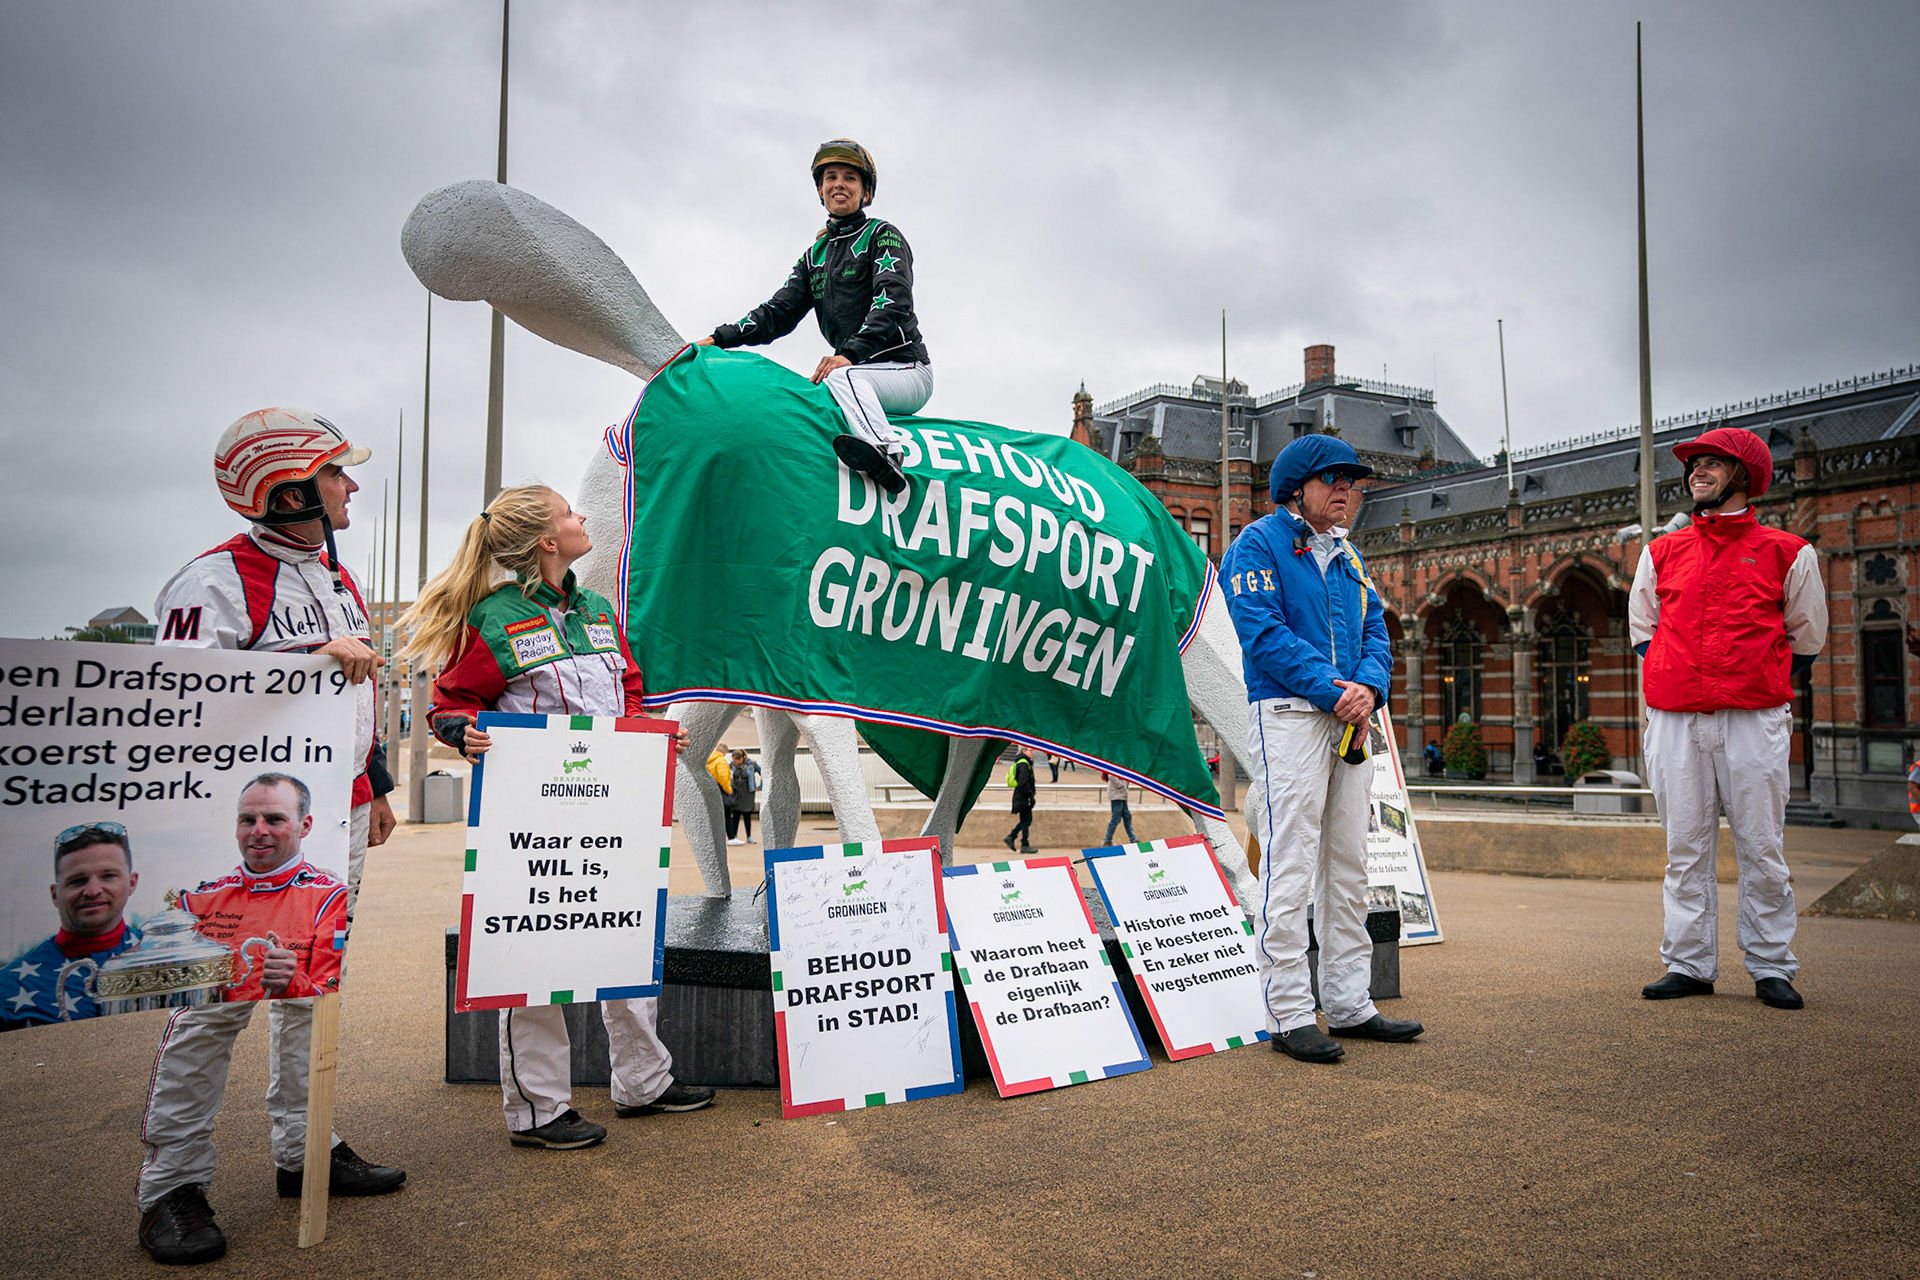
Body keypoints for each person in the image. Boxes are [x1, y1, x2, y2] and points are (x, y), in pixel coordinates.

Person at [138, 408, 402, 1267]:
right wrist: (308, 661)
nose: (351, 485)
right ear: (287, 487)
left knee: (311, 986)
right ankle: (171, 1187)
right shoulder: (211, 581)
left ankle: (305, 1151)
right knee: (217, 998)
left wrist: (381, 788)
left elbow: (356, 699)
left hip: (339, 816)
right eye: (337, 472)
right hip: (236, 835)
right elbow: (178, 704)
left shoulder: (338, 574)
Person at [404, 484, 714, 1152]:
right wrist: (463, 732)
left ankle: (643, 1082)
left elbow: (627, 689)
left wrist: (650, 731)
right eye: (571, 514)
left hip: (616, 811)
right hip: (532, 820)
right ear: (548, 541)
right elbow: (449, 704)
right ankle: (539, 1110)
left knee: (626, 936)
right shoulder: (493, 617)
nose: (582, 518)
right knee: (534, 953)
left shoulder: (599, 608)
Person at [1222, 435, 1424, 1065]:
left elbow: (1374, 632)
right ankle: (1287, 1010)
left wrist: (1371, 688)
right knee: (1291, 860)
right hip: (1289, 715)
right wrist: (1337, 692)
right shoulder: (1257, 544)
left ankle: (1348, 1001)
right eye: (1332, 479)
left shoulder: (1349, 554)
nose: (1346, 490)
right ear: (1297, 489)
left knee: (1348, 862)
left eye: (1351, 481)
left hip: (1347, 717)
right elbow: (1262, 634)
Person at [1629, 425, 1827, 1010]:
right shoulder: (1660, 551)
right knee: (1684, 847)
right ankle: (1688, 963)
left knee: (1762, 846)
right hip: (1675, 716)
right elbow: (1644, 630)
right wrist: (1678, 672)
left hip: (1752, 716)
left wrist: (1752, 678)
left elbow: (1807, 635)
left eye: (1711, 464)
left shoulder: (1790, 552)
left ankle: (1771, 966)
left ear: (1742, 477)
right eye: (1694, 465)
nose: (1697, 472)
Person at [696, 139, 929, 495]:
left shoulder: (882, 235)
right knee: (813, 393)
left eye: (850, 178)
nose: (839, 184)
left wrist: (848, 355)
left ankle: (887, 453)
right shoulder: (813, 256)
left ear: (865, 192)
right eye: (831, 177)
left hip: (905, 370)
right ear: (820, 191)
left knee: (839, 380)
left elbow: (893, 302)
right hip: (855, 371)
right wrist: (717, 340)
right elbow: (777, 313)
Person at [1, 823, 143, 1031]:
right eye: (78, 881)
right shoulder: (9, 987)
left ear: (131, 883)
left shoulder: (170, 961)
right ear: (55, 894)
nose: (93, 891)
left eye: (108, 876)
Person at [1004, 751, 1037, 853]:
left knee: (1026, 820)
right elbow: (1023, 782)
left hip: (1021, 796)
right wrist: (1030, 794)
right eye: (1030, 750)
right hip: (1023, 797)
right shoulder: (1023, 764)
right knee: (1026, 821)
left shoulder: (1022, 762)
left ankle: (1012, 837)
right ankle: (1024, 844)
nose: (1033, 752)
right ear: (1024, 751)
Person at [727, 749, 758, 846]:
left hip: (747, 794)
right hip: (736, 793)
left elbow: (764, 773)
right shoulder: (731, 765)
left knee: (747, 815)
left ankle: (749, 836)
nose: (734, 762)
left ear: (741, 758)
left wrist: (759, 787)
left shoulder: (751, 764)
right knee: (735, 815)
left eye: (736, 760)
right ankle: (734, 836)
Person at [1102, 772, 1137, 847]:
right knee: (1115, 819)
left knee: (1127, 817)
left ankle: (1133, 838)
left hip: (1122, 795)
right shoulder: (1116, 763)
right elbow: (1111, 776)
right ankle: (1107, 840)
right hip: (1117, 796)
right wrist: (1121, 785)